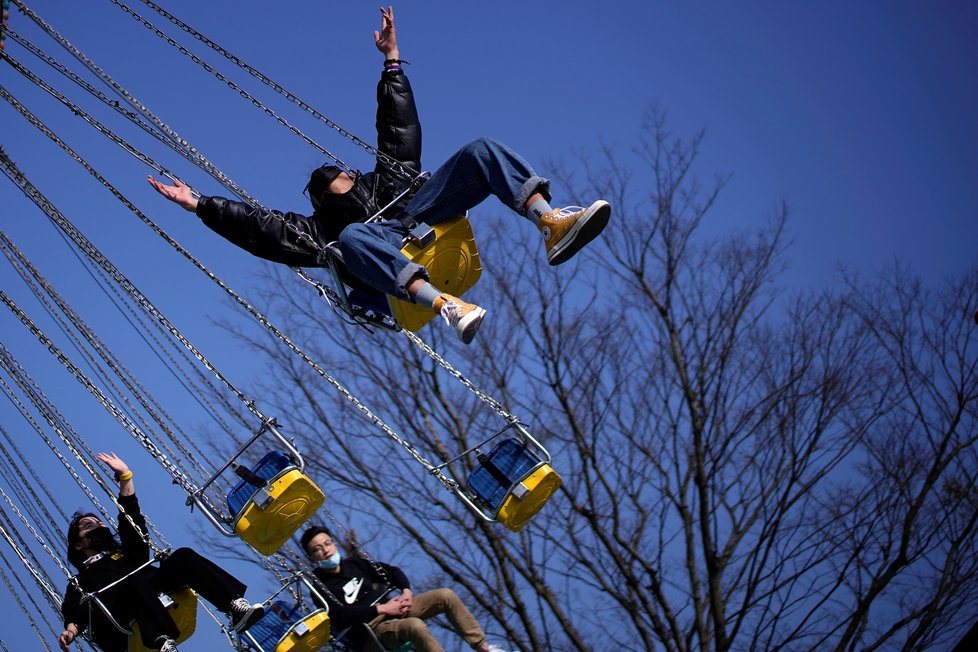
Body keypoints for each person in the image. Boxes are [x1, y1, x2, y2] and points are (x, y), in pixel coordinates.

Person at [148, 6, 611, 345]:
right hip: (381, 263)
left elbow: (397, 127)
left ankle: (550, 222)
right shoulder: (320, 231)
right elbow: (260, 228)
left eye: (345, 180)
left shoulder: (384, 180)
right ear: (322, 202)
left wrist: (392, 60)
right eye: (334, 189)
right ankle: (446, 305)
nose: (344, 185)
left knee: (481, 150)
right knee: (351, 237)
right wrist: (200, 205)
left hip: (421, 217)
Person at [58, 452, 266, 652]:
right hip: (121, 619)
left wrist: (125, 477)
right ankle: (161, 640)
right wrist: (71, 630)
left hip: (150, 592)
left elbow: (132, 523)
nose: (98, 526)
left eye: (99, 523)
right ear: (78, 544)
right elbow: (74, 609)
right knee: (131, 581)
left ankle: (233, 607)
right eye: (88, 526)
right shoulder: (81, 581)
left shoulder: (125, 554)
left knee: (183, 556)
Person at [300, 525, 508, 652]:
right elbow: (339, 616)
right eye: (317, 549)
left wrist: (406, 591)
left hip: (393, 610)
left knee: (445, 596)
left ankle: (482, 647)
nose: (325, 551)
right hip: (371, 631)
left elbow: (391, 571)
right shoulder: (320, 586)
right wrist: (382, 610)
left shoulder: (354, 565)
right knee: (415, 626)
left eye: (327, 543)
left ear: (334, 544)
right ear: (312, 557)